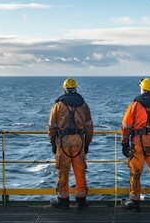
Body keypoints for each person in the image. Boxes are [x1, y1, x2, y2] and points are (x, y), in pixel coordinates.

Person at [120, 78, 150, 211]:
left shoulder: (134, 106)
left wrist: (124, 143)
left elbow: (126, 126)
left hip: (137, 144)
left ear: (142, 89)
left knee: (135, 172)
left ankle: (134, 202)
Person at [48, 78, 94, 209]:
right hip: (79, 142)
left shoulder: (58, 106)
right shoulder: (84, 105)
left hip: (63, 143)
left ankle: (63, 200)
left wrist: (53, 143)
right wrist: (87, 143)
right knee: (80, 171)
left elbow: (52, 127)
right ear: (76, 89)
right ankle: (81, 200)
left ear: (64, 89)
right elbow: (89, 127)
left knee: (63, 172)